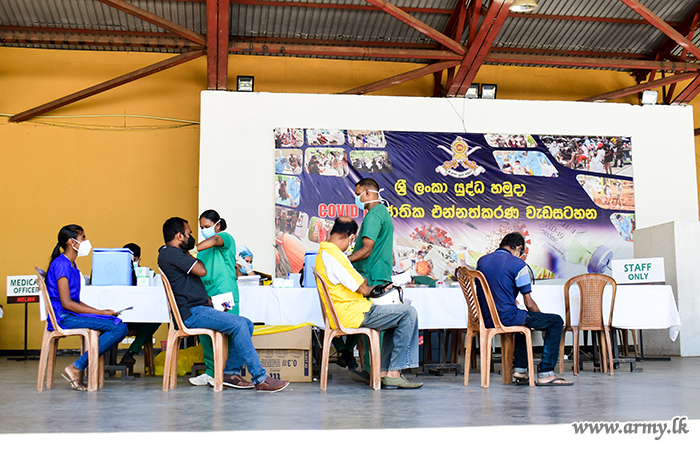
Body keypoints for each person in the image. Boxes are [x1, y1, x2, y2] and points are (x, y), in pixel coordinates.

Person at [157, 216, 289, 392]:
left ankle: (230, 373)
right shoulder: (172, 253)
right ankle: (260, 378)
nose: (192, 237)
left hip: (198, 308)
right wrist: (190, 253)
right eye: (189, 233)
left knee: (246, 324)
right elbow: (201, 270)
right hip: (192, 313)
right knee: (240, 324)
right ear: (179, 236)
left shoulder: (170, 254)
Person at [315, 217, 422, 389]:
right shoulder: (335, 257)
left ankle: (382, 372)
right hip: (354, 314)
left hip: (347, 312)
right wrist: (369, 283)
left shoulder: (323, 254)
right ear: (351, 237)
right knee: (408, 313)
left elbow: (359, 284)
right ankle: (393, 373)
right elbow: (363, 288)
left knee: (395, 317)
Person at [476, 232, 573, 386]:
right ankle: (546, 373)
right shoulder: (517, 264)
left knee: (523, 320)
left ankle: (520, 370)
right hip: (506, 317)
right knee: (555, 321)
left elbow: (492, 289)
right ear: (518, 248)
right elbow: (528, 302)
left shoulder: (482, 261)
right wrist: (542, 323)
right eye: (521, 253)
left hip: (485, 318)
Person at [45, 224, 128, 390]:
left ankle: (80, 366)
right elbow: (67, 304)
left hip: (69, 314)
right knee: (119, 328)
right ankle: (77, 367)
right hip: (63, 317)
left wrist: (102, 312)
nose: (86, 241)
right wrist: (99, 313)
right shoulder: (62, 264)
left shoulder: (71, 265)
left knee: (114, 321)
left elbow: (75, 301)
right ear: (71, 242)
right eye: (83, 237)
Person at [341, 177, 395, 382]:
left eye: (358, 194)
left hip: (370, 277)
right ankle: (372, 369)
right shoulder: (385, 214)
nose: (356, 198)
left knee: (372, 325)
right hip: (380, 274)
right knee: (376, 325)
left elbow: (365, 250)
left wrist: (343, 260)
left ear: (368, 193)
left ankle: (373, 370)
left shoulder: (373, 216)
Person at [188, 210, 245, 387]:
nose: (204, 230)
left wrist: (194, 248)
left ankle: (229, 373)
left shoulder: (225, 239)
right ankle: (211, 372)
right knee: (206, 335)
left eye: (207, 226)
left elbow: (214, 240)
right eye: (201, 227)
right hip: (207, 295)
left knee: (231, 332)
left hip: (225, 295)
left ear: (217, 225)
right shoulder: (203, 251)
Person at [118, 243, 162, 367]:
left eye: (134, 259)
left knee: (157, 319)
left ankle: (131, 352)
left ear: (139, 259)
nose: (132, 262)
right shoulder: (116, 276)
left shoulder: (148, 275)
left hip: (141, 317)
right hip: (120, 317)